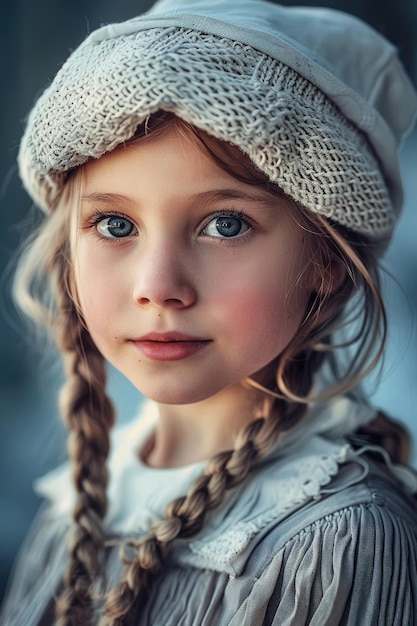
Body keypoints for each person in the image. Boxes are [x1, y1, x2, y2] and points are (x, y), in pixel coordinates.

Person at [1, 0, 417, 624]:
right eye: (115, 224)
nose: (159, 286)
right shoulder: (82, 503)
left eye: (225, 224)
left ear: (326, 259)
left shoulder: (336, 538)